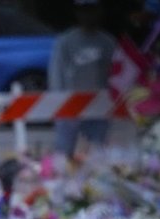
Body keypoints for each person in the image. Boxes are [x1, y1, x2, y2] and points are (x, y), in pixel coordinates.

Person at [48, 0, 117, 157]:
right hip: (70, 105)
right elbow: (56, 74)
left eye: (91, 9)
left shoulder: (107, 42)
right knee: (64, 152)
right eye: (83, 10)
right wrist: (58, 103)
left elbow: (113, 75)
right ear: (77, 12)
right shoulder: (65, 41)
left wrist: (111, 102)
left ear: (99, 11)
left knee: (97, 152)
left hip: (99, 105)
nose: (87, 14)